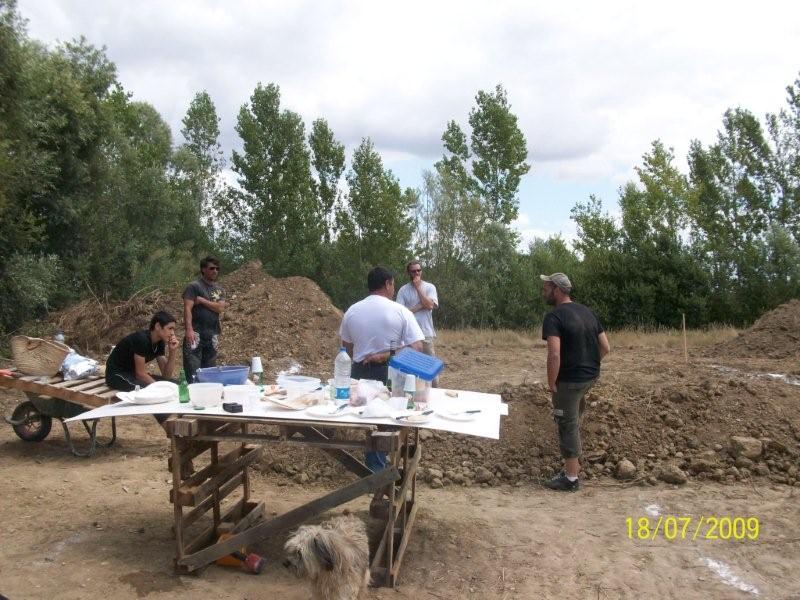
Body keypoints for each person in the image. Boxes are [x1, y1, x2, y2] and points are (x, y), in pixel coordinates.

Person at [339, 266, 424, 473]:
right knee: (385, 421)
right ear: (387, 284)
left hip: (359, 373)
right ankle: (378, 473)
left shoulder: (352, 310)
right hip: (389, 372)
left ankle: (376, 466)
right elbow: (417, 347)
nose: (393, 288)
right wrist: (386, 354)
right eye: (393, 284)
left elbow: (346, 348)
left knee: (368, 420)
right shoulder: (400, 311)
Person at [540, 273, 610, 492]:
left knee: (567, 425)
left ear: (558, 290)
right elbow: (606, 347)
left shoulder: (554, 317)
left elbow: (554, 355)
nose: (544, 291)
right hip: (589, 377)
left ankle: (571, 478)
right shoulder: (587, 312)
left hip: (569, 382)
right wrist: (588, 365)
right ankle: (572, 468)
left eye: (547, 287)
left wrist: (552, 382)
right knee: (573, 419)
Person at [105, 311, 180, 391]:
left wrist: (173, 351)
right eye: (170, 328)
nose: (172, 333)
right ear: (157, 326)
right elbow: (140, 374)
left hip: (132, 374)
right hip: (117, 375)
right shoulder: (142, 340)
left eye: (173, 329)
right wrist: (159, 388)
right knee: (149, 390)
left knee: (176, 385)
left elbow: (166, 375)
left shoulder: (159, 342)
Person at [395, 259, 439, 386]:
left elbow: (430, 305)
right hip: (409, 336)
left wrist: (418, 288)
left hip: (426, 334)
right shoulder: (403, 290)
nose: (416, 273)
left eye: (419, 270)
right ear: (409, 273)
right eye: (413, 271)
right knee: (409, 371)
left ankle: (435, 393)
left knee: (432, 370)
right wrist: (420, 305)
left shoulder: (430, 287)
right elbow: (400, 313)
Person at [183, 256, 225, 382]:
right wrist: (189, 330)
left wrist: (202, 300)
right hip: (195, 333)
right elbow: (187, 308)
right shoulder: (194, 286)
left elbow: (220, 308)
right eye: (212, 268)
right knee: (193, 371)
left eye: (217, 268)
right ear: (203, 269)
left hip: (212, 334)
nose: (215, 271)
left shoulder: (219, 290)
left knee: (210, 373)